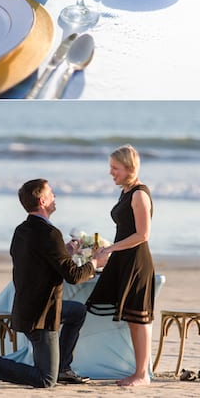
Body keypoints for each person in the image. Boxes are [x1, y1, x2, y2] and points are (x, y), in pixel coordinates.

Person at [0, 178, 108, 388]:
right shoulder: (50, 233)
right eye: (51, 194)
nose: (55, 197)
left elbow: (35, 263)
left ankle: (63, 368)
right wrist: (96, 262)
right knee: (45, 380)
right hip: (41, 316)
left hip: (27, 308)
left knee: (77, 312)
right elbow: (74, 277)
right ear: (42, 201)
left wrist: (65, 253)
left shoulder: (22, 230)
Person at [85, 145, 155, 387]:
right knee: (132, 318)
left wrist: (111, 248)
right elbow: (125, 230)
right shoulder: (126, 191)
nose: (110, 172)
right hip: (123, 259)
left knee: (140, 318)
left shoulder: (139, 194)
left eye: (115, 168)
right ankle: (138, 371)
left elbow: (142, 234)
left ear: (129, 168)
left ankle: (142, 374)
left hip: (136, 261)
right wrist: (106, 247)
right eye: (111, 168)